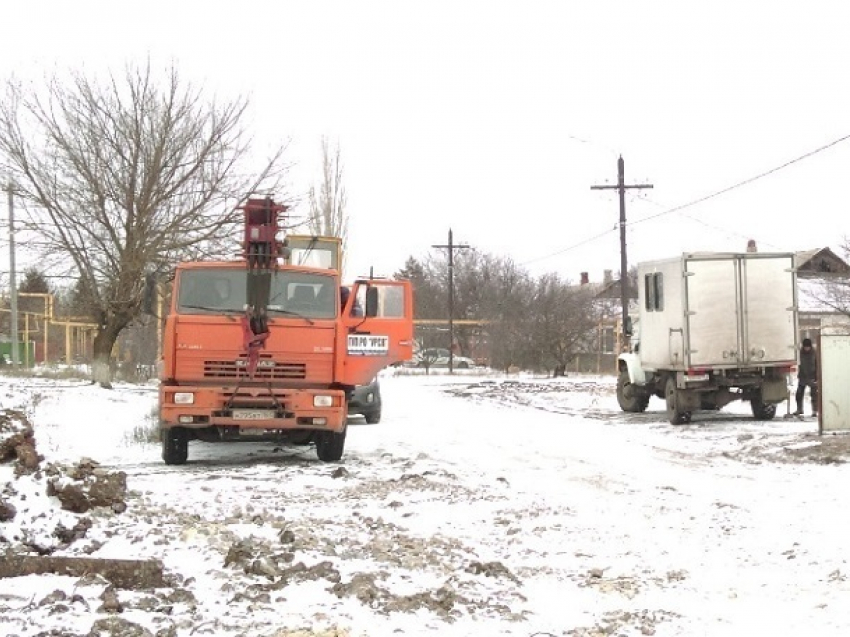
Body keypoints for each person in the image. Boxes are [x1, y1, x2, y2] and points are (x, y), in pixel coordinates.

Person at [794, 338, 818, 416]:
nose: (806, 348)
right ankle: (799, 409)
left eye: (808, 347)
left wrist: (817, 376)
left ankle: (814, 411)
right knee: (799, 394)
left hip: (812, 376)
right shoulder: (800, 353)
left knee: (814, 395)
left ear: (810, 347)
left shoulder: (814, 353)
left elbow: (817, 364)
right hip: (803, 376)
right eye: (805, 347)